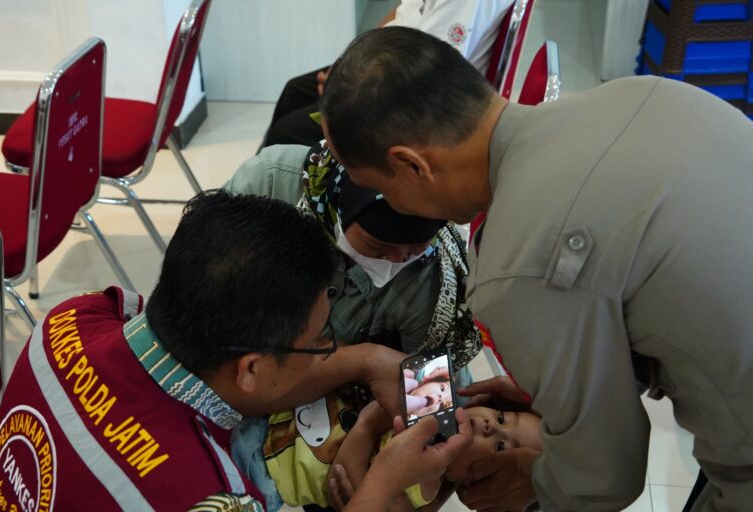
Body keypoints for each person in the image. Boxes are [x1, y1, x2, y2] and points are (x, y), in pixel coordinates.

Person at [319, 26, 753, 512]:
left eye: (380, 187)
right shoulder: (644, 94)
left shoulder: (514, 268)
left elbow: (601, 478)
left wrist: (531, 476)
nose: (394, 209)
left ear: (412, 165)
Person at [0, 190, 428, 510]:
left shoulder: (70, 319)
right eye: (318, 342)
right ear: (251, 369)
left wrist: (371, 360)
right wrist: (384, 483)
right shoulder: (212, 497)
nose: (330, 347)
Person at [223, 142, 483, 380]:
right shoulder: (268, 184)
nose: (398, 258)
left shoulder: (432, 285)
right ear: (339, 211)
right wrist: (361, 359)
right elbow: (199, 303)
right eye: (377, 247)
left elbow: (428, 396)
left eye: (416, 247)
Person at [233, 390, 541, 512]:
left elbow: (356, 487)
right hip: (273, 419)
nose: (490, 425)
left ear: (473, 481)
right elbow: (382, 403)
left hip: (269, 480)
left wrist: (366, 428)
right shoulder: (437, 401)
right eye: (502, 418)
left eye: (500, 445)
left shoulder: (424, 488)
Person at [262, 0, 512, 149]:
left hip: (417, 97)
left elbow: (429, 67)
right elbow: (401, 13)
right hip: (395, 63)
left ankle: (287, 217)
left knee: (287, 133)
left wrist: (351, 79)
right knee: (295, 90)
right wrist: (352, 60)